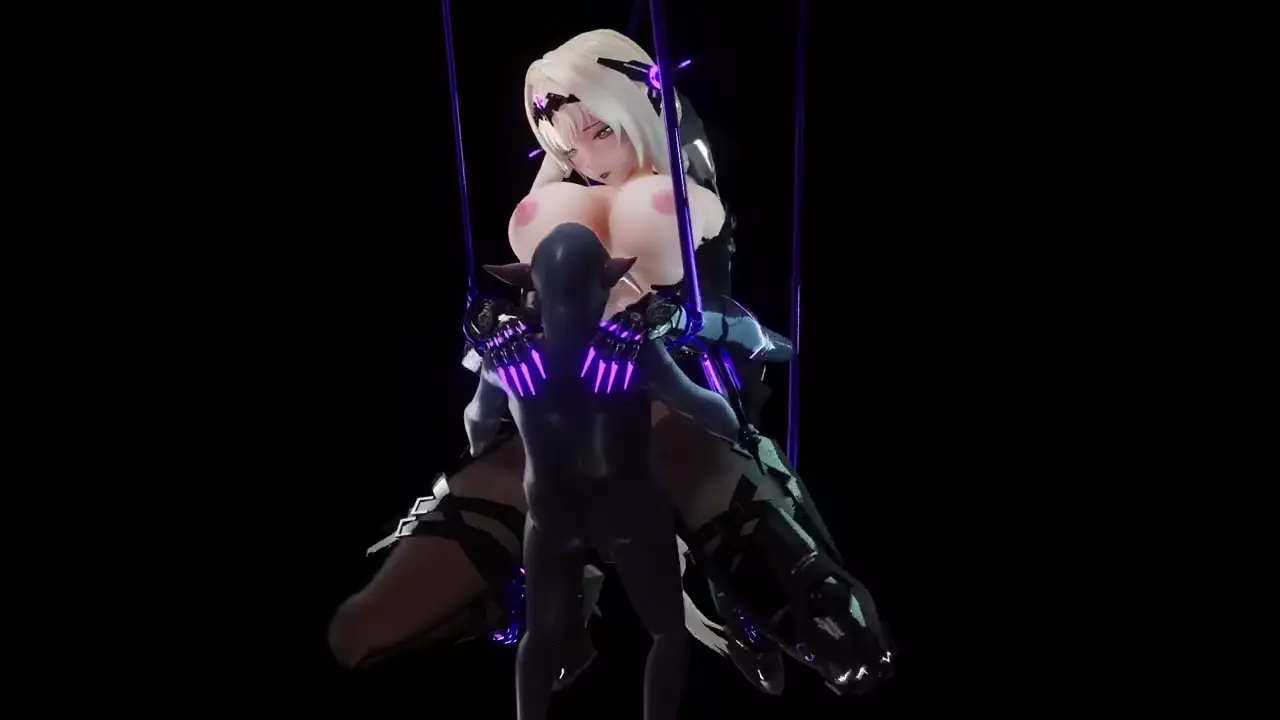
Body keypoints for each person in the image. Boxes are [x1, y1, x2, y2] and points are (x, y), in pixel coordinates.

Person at [328, 28, 894, 697]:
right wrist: (493, 334)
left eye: (600, 131)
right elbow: (483, 405)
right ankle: (527, 611)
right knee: (360, 630)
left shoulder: (685, 201)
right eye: (568, 147)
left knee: (834, 633)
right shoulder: (566, 229)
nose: (587, 159)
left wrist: (673, 322)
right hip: (553, 444)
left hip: (669, 427)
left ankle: (736, 590)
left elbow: (752, 339)